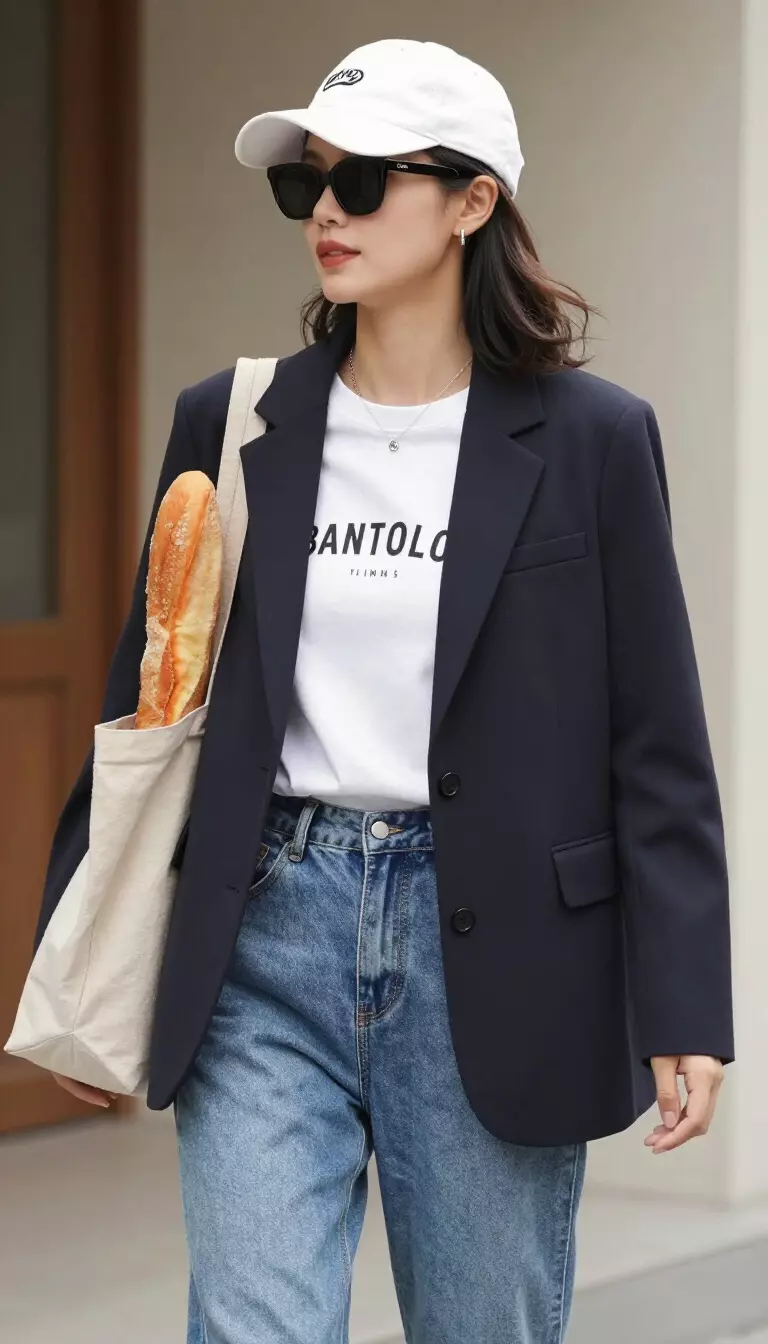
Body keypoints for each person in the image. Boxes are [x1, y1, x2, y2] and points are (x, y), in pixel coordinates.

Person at [36, 37, 734, 1344]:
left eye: (364, 182)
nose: (331, 215)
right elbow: (154, 689)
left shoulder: (590, 439)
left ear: (474, 201)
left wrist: (687, 998)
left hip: (503, 944)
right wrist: (81, 943)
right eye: (310, 188)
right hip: (265, 929)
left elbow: (656, 739)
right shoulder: (234, 420)